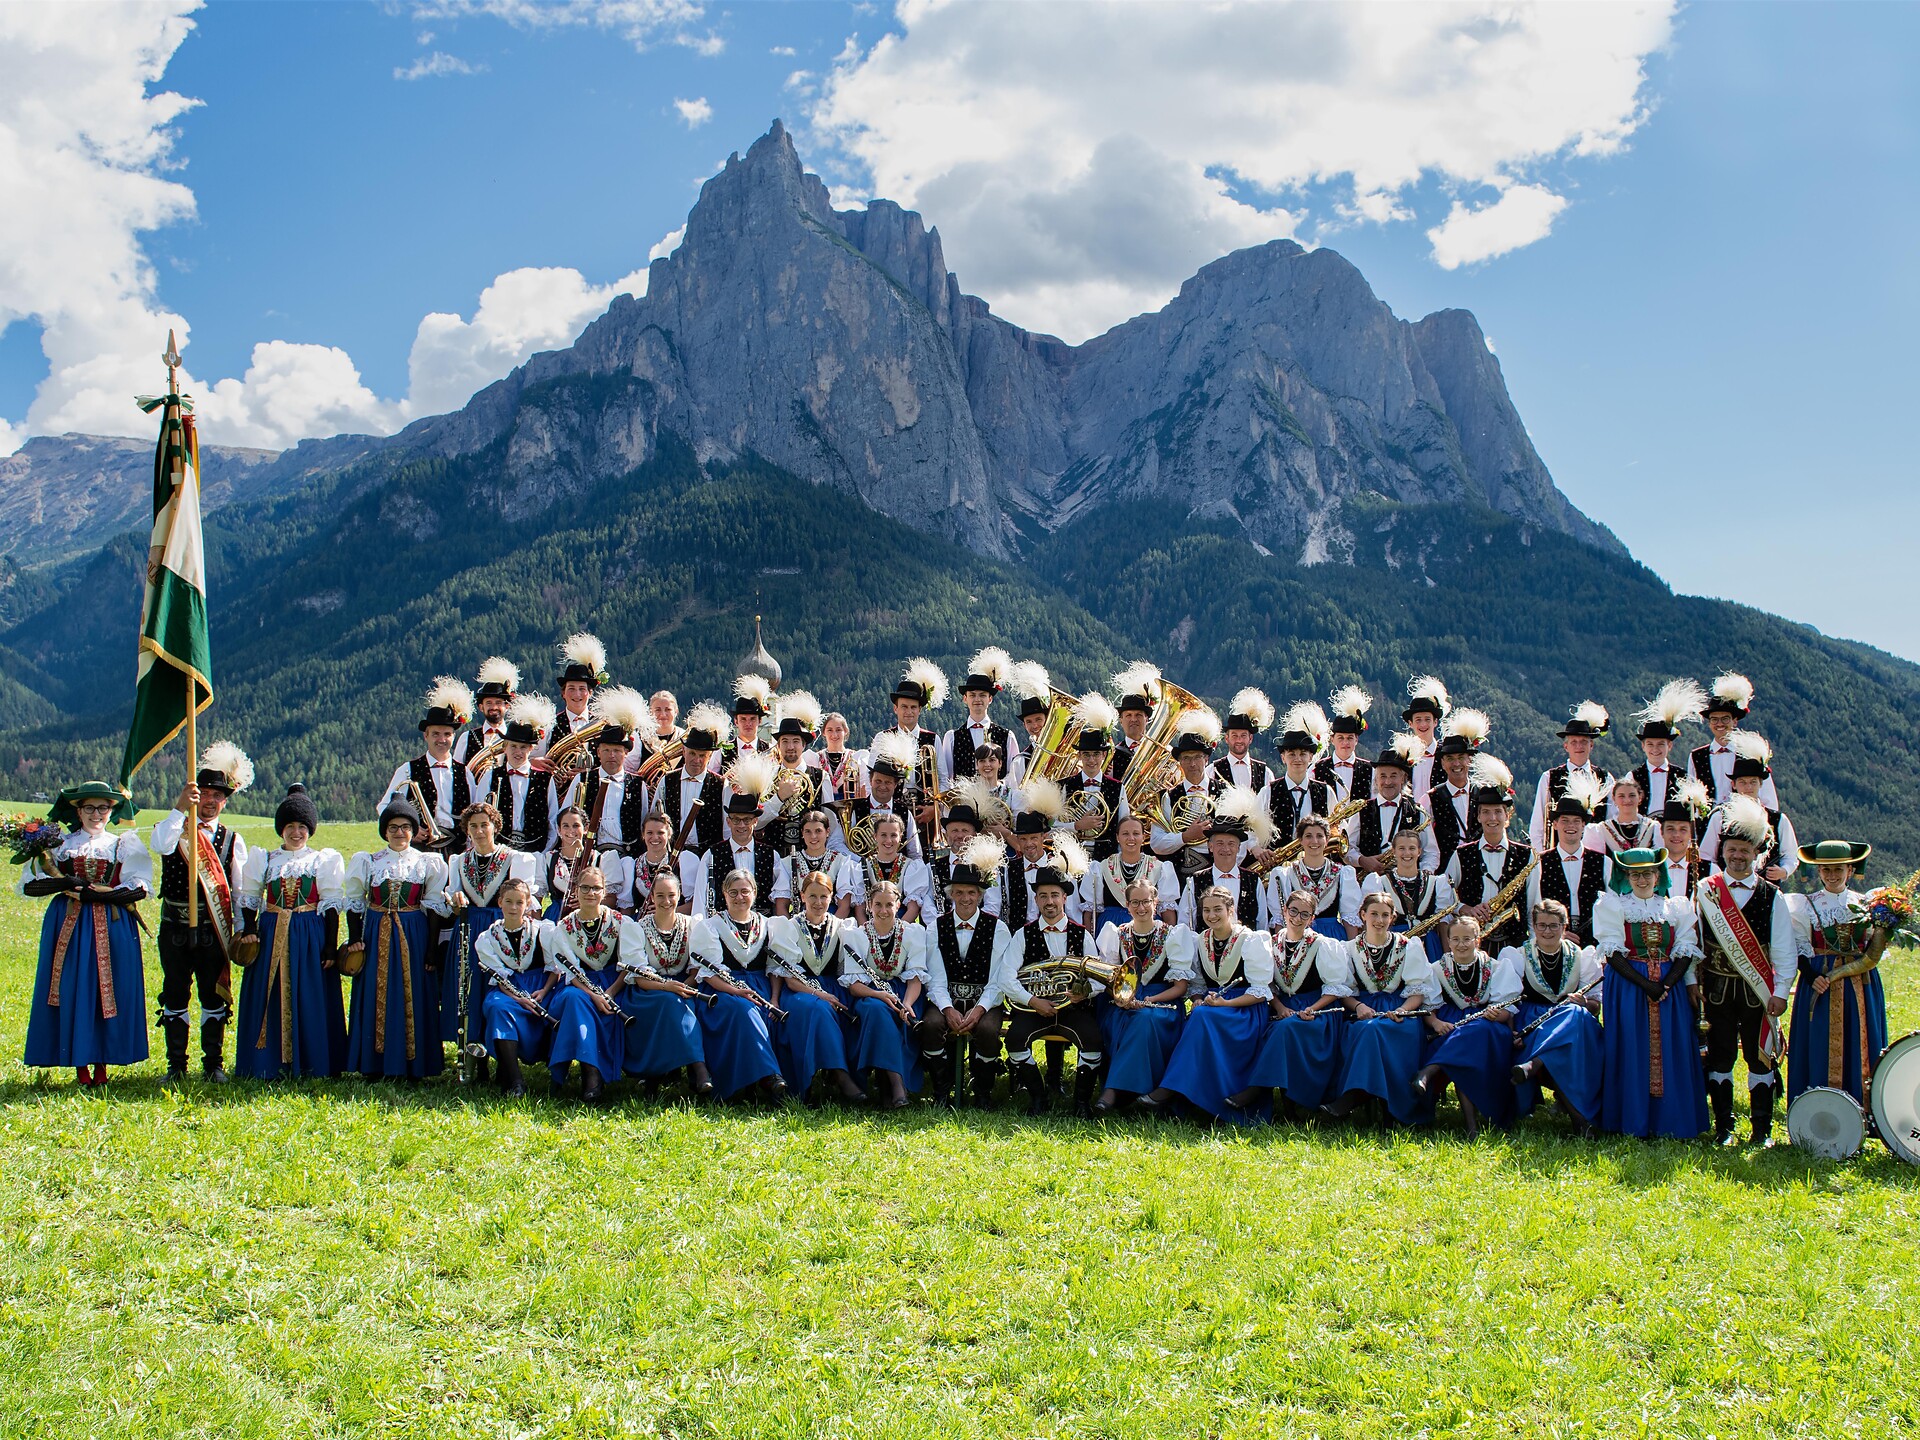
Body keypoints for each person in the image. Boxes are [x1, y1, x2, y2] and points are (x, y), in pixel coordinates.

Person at [18, 782, 151, 1085]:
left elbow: (138, 889)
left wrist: (98, 896)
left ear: (111, 810)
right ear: (78, 811)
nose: (96, 814)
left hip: (114, 925)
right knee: (74, 987)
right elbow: (31, 886)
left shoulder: (123, 844)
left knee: (110, 990)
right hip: (69, 924)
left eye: (102, 807)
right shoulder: (60, 845)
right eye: (89, 808)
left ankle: (103, 1066)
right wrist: (67, 884)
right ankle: (80, 1067)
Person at [1694, 793, 1797, 1145]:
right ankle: (1723, 1127)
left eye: (1745, 850)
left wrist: (1781, 992)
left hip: (1758, 991)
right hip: (1717, 989)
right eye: (1732, 849)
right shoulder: (1705, 892)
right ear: (1723, 851)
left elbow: (1784, 950)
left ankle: (1761, 1132)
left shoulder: (1773, 897)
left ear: (1758, 853)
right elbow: (1694, 945)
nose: (1738, 856)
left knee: (1759, 1057)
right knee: (1721, 1054)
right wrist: (1693, 983)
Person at [150, 741, 252, 1082]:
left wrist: (238, 928)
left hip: (213, 928)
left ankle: (213, 1065)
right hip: (175, 926)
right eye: (204, 792)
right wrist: (180, 808)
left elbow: (238, 891)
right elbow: (160, 845)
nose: (210, 801)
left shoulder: (232, 839)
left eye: (217, 795)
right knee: (176, 992)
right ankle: (176, 1066)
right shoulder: (174, 829)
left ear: (225, 800)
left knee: (213, 995)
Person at [234, 783, 347, 1081]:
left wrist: (330, 947)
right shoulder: (266, 859)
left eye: (302, 826)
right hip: (271, 933)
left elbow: (331, 906)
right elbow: (250, 897)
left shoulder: (322, 860)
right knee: (269, 995)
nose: (296, 832)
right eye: (290, 826)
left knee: (310, 994)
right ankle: (267, 1062)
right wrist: (249, 930)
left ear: (310, 830)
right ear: (280, 829)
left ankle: (313, 1062)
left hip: (310, 934)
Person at [1595, 848, 1708, 1140]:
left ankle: (1672, 1121)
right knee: (1632, 1046)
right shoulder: (1614, 906)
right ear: (1626, 877)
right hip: (1629, 987)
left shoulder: (1675, 908)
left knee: (1672, 1048)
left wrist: (1666, 984)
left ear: (1658, 876)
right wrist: (1647, 985)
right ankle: (1633, 1120)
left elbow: (1684, 950)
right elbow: (1613, 953)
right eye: (1635, 874)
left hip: (1670, 992)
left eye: (1647, 873)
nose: (1642, 879)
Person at [1139, 887, 1274, 1119]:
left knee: (1200, 1019)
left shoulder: (1251, 939)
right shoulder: (1199, 940)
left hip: (1244, 1011)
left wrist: (1224, 1004)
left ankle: (1173, 1089)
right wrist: (1199, 999)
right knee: (1199, 1016)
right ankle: (1190, 1096)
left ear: (1231, 910)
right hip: (1213, 1008)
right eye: (1207, 910)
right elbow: (1198, 987)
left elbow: (1261, 992)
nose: (1212, 915)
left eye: (1218, 909)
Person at [343, 799, 451, 1081]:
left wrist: (431, 950)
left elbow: (434, 908)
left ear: (414, 831)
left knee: (413, 993)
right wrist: (356, 940)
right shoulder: (369, 861)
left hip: (413, 931)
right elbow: (355, 904)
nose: (399, 833)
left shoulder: (426, 862)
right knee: (375, 992)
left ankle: (414, 1065)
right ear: (384, 831)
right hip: (377, 930)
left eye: (405, 827)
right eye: (393, 827)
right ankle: (374, 1064)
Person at [993, 847, 1104, 1116]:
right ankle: (1038, 1098)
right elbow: (1005, 977)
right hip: (1034, 1008)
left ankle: (1081, 1103)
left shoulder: (1082, 934)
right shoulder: (1023, 934)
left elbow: (1099, 977)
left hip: (1073, 1008)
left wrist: (1083, 993)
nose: (1049, 901)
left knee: (1093, 1041)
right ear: (1037, 899)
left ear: (1065, 898)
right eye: (1043, 896)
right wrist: (1033, 1001)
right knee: (1016, 1041)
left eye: (1055, 895)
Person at [1785, 840, 1887, 1111]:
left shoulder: (1866, 904)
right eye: (1826, 869)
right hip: (1820, 981)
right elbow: (1799, 947)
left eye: (1838, 869)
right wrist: (1809, 976)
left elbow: (1872, 947)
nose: (1832, 875)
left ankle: (1862, 1110)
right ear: (1818, 872)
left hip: (1860, 983)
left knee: (1859, 1041)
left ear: (1850, 870)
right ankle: (1817, 1111)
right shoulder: (1805, 905)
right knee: (1818, 1042)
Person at [918, 837, 1020, 1107]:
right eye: (960, 892)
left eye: (971, 893)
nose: (965, 898)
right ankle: (942, 1088)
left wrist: (980, 1009)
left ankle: (982, 1090)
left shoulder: (998, 929)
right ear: (951, 894)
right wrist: (947, 1008)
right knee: (930, 1025)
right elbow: (935, 978)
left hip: (985, 1002)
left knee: (987, 1030)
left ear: (981, 895)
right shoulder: (934, 928)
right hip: (946, 999)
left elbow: (998, 980)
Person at [1319, 892, 1436, 1124]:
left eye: (1385, 915)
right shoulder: (1349, 949)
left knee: (1377, 1031)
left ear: (1393, 918)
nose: (1379, 920)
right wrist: (1360, 1006)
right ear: (1363, 915)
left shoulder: (1408, 946)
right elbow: (1345, 992)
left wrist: (1403, 1010)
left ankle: (1358, 1096)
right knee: (1367, 1029)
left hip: (1400, 1011)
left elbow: (1417, 991)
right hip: (1363, 1010)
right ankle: (1371, 1098)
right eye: (1374, 914)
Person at [1228, 890, 1345, 1118]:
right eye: (1293, 911)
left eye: (1304, 914)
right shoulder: (1270, 943)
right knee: (1274, 1028)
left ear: (1312, 918)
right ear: (1284, 911)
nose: (1297, 918)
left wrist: (1312, 1008)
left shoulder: (1322, 945)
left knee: (1286, 1029)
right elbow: (1266, 985)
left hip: (1318, 1012)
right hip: (1283, 1008)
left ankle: (1258, 1088)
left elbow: (1334, 988)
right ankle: (1282, 1100)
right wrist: (1280, 1007)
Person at [442, 801, 539, 1062]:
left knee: (497, 988)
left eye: (485, 824)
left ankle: (502, 1051)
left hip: (501, 929)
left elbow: (524, 899)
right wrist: (456, 900)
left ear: (495, 826)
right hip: (469, 928)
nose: (480, 831)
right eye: (473, 826)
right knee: (470, 989)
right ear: (467, 831)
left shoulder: (514, 858)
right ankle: (474, 1055)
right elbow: (452, 896)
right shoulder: (459, 861)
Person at [1497, 900, 1604, 1134]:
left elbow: (1595, 1007)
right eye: (1542, 925)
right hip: (1532, 1020)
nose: (1547, 931)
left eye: (1554, 926)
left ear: (1565, 927)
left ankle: (1533, 1065)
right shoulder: (1517, 955)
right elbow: (1510, 1001)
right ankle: (1579, 1119)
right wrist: (1512, 1031)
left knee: (1574, 1012)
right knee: (1561, 1049)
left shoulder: (1583, 956)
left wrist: (1584, 1002)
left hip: (1576, 1024)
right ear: (1533, 927)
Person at [1091, 879, 1194, 1115]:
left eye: (1146, 901)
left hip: (1164, 1002)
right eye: (1135, 902)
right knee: (1126, 1019)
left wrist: (1150, 1002)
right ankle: (1136, 1093)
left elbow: (1180, 987)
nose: (1141, 907)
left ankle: (1114, 1091)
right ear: (1127, 906)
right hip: (1124, 1001)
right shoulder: (1116, 933)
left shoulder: (1172, 935)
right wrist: (1119, 997)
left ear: (1155, 902)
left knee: (1145, 1019)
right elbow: (1111, 979)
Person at [688, 870, 789, 1102]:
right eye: (733, 892)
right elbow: (709, 974)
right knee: (743, 1010)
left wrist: (774, 999)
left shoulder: (768, 925)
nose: (739, 897)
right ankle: (768, 1075)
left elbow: (774, 969)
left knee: (769, 1013)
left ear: (754, 893)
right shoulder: (711, 926)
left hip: (760, 986)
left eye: (745, 891)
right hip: (722, 990)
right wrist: (736, 991)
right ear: (724, 894)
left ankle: (760, 1080)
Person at [768, 871, 867, 1104]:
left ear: (832, 897)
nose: (818, 902)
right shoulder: (790, 927)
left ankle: (845, 1074)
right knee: (818, 1009)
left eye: (823, 896)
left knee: (854, 1011)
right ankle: (839, 1077)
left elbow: (846, 971)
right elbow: (790, 979)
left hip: (834, 987)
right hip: (800, 990)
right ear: (802, 896)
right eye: (812, 896)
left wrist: (830, 993)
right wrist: (820, 994)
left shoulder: (842, 927)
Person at [616, 871, 714, 1098]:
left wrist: (685, 986)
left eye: (671, 895)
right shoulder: (637, 928)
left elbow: (697, 967)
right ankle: (698, 1068)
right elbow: (639, 976)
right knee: (669, 1003)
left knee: (676, 1003)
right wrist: (667, 987)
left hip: (684, 986)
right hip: (646, 992)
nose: (667, 901)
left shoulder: (692, 925)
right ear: (651, 897)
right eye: (660, 895)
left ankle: (658, 1077)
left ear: (680, 895)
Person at [842, 879, 931, 1108]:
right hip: (869, 994)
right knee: (876, 1011)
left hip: (905, 993)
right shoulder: (857, 935)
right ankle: (897, 1083)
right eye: (878, 905)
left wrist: (908, 1004)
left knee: (889, 1015)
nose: (883, 911)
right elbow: (854, 985)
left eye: (889, 905)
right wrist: (881, 995)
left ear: (898, 904)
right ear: (869, 906)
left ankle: (886, 1083)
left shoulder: (912, 933)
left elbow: (914, 979)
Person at [546, 865, 630, 1103]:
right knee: (575, 1001)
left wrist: (610, 992)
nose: (590, 893)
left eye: (596, 888)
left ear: (604, 892)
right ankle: (590, 1073)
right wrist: (594, 995)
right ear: (576, 890)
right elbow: (569, 972)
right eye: (585, 887)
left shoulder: (620, 922)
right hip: (579, 985)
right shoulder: (563, 927)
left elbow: (628, 964)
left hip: (615, 984)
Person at [1411, 915, 1497, 1138]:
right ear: (1448, 942)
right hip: (1448, 1024)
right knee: (1463, 1050)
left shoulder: (1494, 966)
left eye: (1467, 939)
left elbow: (1506, 1009)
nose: (1461, 944)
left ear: (1478, 940)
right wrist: (1436, 1023)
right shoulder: (1437, 968)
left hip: (1486, 1025)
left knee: (1471, 1035)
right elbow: (1428, 1009)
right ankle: (1470, 1125)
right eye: (1456, 939)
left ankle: (1431, 1070)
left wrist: (1497, 1014)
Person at [472, 878, 558, 1097]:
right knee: (496, 1007)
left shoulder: (543, 931)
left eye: (519, 902)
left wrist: (545, 991)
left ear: (528, 903)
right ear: (500, 902)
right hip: (509, 990)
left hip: (541, 987)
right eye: (508, 901)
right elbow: (498, 977)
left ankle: (559, 1074)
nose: (513, 907)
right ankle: (514, 1080)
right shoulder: (487, 938)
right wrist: (518, 998)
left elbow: (554, 970)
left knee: (560, 1004)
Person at [1443, 755, 1534, 955]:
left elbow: (1533, 905)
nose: (1492, 818)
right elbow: (1444, 896)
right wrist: (1464, 908)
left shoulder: (1527, 856)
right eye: (1486, 812)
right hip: (1472, 945)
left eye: (1498, 812)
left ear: (1508, 816)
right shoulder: (1461, 854)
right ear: (1478, 816)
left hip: (1515, 944)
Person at [377, 677, 475, 849]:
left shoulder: (465, 773)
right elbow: (385, 806)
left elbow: (475, 810)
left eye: (447, 734)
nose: (442, 739)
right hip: (421, 849)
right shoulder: (407, 770)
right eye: (436, 734)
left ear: (454, 736)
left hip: (457, 850)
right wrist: (410, 828)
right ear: (426, 736)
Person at [563, 686, 656, 858]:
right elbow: (567, 816)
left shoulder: (637, 784)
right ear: (598, 752)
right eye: (606, 750)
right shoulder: (582, 779)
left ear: (626, 753)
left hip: (627, 857)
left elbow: (644, 822)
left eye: (617, 751)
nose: (611, 755)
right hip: (589, 854)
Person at [687, 757, 783, 917]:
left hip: (761, 930)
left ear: (755, 821)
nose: (741, 825)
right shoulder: (711, 855)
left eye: (746, 820)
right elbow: (700, 901)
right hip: (723, 929)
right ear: (728, 821)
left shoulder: (772, 855)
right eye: (736, 820)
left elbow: (780, 899)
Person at [1697, 734, 1798, 884]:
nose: (1748, 787)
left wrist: (1784, 871)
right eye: (1743, 782)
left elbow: (1790, 855)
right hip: (1726, 889)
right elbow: (1706, 856)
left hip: (1765, 892)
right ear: (1734, 785)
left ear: (1761, 784)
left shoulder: (1778, 820)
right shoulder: (1719, 817)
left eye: (1753, 782)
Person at [1526, 772, 1610, 946]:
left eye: (1576, 821)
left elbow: (1612, 906)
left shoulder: (1603, 863)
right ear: (1555, 824)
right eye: (1564, 820)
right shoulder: (1538, 863)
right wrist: (1557, 935)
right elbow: (1532, 907)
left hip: (1596, 944)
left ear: (1583, 825)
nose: (1570, 826)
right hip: (1552, 943)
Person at [1149, 708, 1225, 893]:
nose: (1192, 764)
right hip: (1179, 873)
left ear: (1206, 759)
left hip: (1219, 872)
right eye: (1186, 758)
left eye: (1197, 757)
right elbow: (1156, 843)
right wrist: (1185, 837)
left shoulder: (1224, 792)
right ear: (1179, 762)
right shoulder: (1168, 796)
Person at [1176, 790, 1271, 931]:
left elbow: (1262, 922)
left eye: (1231, 844)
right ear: (1210, 847)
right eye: (1220, 843)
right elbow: (1184, 925)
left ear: (1239, 848)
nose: (1225, 849)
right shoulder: (1194, 881)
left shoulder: (1253, 880)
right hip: (1206, 949)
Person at [1361, 824, 1457, 963]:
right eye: (1401, 848)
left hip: (1429, 946)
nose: (1407, 853)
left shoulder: (1437, 882)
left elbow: (1443, 924)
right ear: (1393, 851)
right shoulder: (1379, 882)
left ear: (1419, 851)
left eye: (1412, 848)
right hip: (1393, 945)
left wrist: (1448, 957)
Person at [1345, 735, 1437, 877]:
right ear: (1376, 780)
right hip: (1369, 881)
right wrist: (1362, 860)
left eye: (1393, 776)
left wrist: (1423, 876)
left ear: (1403, 778)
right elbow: (1348, 848)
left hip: (1408, 881)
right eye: (1383, 776)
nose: (1388, 782)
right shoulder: (1361, 810)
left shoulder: (1417, 812)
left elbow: (1431, 852)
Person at [478, 694, 559, 853]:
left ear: (531, 749)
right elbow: (478, 815)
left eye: (523, 747)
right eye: (513, 746)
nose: (518, 752)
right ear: (505, 746)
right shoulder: (490, 776)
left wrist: (542, 854)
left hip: (535, 852)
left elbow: (552, 821)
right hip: (497, 851)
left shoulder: (545, 780)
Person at [1527, 702, 1612, 852]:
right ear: (1566, 746)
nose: (1579, 746)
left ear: (1591, 745)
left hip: (1595, 858)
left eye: (1584, 742)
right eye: (1574, 742)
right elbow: (1538, 824)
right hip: (1557, 856)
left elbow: (1612, 822)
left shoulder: (1605, 778)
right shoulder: (1549, 778)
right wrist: (1540, 859)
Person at [1690, 672, 1779, 807]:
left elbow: (1768, 799)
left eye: (1725, 718)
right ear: (1709, 723)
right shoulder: (1696, 757)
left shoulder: (1750, 754)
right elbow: (1692, 797)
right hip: (1708, 825)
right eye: (1714, 719)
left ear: (1735, 721)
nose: (1719, 723)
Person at [654, 702, 729, 859]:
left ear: (709, 757)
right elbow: (655, 819)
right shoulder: (666, 781)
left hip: (708, 857)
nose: (696, 760)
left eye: (702, 756)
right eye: (692, 754)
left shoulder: (721, 785)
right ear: (683, 751)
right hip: (672, 855)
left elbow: (727, 828)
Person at [1624, 678, 1705, 821]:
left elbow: (1694, 813)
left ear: (1670, 746)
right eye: (1650, 744)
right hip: (1642, 832)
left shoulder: (1683, 777)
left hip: (1673, 832)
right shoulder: (1632, 777)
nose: (1655, 749)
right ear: (1643, 746)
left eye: (1661, 744)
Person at [1080, 814, 1179, 931]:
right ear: (1117, 837)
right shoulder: (1101, 868)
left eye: (1136, 833)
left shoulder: (1160, 868)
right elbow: (1091, 912)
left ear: (1143, 837)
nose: (1131, 838)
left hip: (1146, 926)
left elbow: (1167, 911)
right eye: (1125, 834)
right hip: (1110, 927)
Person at [1059, 694, 1128, 860]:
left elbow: (1124, 825)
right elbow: (1051, 827)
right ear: (1079, 756)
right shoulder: (1065, 786)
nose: (1091, 760)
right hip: (1072, 856)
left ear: (1104, 755)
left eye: (1096, 754)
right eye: (1087, 754)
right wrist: (1077, 825)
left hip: (1107, 857)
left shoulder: (1118, 787)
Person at [1270, 815, 1360, 941]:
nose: (1314, 841)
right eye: (1308, 836)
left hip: (1333, 939)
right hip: (1298, 938)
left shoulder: (1343, 873)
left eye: (1319, 836)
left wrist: (1353, 952)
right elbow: (1280, 919)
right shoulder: (1286, 874)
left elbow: (1349, 918)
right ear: (1300, 840)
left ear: (1327, 839)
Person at [939, 646, 1018, 786]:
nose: (977, 699)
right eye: (972, 695)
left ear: (990, 699)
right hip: (965, 803)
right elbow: (946, 777)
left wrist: (999, 788)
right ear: (965, 699)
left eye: (982, 695)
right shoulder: (952, 737)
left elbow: (1014, 774)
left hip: (997, 802)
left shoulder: (1007, 736)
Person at [763, 691, 826, 855]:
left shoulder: (821, 777)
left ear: (803, 745)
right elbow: (758, 821)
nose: (790, 746)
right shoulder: (767, 776)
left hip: (811, 855)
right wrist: (779, 798)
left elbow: (830, 823)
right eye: (785, 741)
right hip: (774, 856)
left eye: (795, 741)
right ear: (778, 745)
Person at [1264, 703, 1332, 854]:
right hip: (1279, 866)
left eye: (1303, 754)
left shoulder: (1326, 791)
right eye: (1292, 754)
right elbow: (1253, 831)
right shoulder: (1268, 791)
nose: (1297, 759)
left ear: (1311, 757)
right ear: (1283, 758)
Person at [1425, 708, 1488, 863]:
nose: (1456, 763)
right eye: (1450, 758)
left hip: (1481, 866)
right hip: (1445, 868)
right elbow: (1425, 842)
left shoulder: (1483, 793)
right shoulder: (1429, 798)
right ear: (1443, 763)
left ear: (1470, 760)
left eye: (1461, 757)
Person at [852, 812, 935, 924]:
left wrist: (897, 932)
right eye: (883, 835)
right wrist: (868, 933)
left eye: (893, 835)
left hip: (902, 925)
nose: (888, 841)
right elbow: (860, 909)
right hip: (870, 927)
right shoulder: (862, 867)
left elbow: (913, 909)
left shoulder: (911, 867)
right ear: (875, 836)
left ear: (900, 837)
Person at [778, 809, 857, 917]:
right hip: (799, 923)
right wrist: (790, 930)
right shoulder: (787, 863)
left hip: (831, 921)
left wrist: (831, 930)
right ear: (802, 833)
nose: (813, 836)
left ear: (827, 832)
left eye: (818, 831)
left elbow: (844, 905)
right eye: (808, 831)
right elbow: (781, 905)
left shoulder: (841, 861)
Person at [543, 632, 608, 752]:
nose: (577, 694)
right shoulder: (550, 725)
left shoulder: (601, 724)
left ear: (590, 693)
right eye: (571, 688)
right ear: (563, 693)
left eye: (582, 689)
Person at [454, 656, 519, 766]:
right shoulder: (467, 738)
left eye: (498, 703)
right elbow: (457, 770)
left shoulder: (517, 739)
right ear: (481, 707)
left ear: (507, 706)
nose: (494, 707)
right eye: (489, 703)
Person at [1315, 684, 1375, 803]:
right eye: (1340, 738)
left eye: (1350, 738)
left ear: (1356, 740)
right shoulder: (1317, 768)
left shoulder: (1370, 770)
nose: (1345, 742)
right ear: (1332, 740)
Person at [1211, 688, 1274, 800]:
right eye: (1234, 735)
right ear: (1226, 738)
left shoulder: (1265, 773)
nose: (1239, 740)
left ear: (1250, 738)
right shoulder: (1212, 770)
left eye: (1243, 736)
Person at [1107, 661, 1163, 786]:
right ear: (1121, 720)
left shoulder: (1158, 753)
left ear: (1146, 719)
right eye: (1128, 715)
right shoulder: (1112, 755)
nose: (1133, 719)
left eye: (1138, 715)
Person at [1658, 777, 1714, 899]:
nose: (1676, 835)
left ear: (1691, 834)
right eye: (1670, 829)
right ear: (1661, 832)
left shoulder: (1710, 871)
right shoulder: (1651, 868)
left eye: (1683, 829)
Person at [1402, 675, 1451, 800]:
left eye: (1427, 719)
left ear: (1435, 722)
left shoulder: (1446, 753)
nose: (1423, 724)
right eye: (1418, 720)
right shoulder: (1404, 756)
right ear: (1410, 723)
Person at [1588, 772, 1659, 856]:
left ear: (1640, 797)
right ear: (1614, 798)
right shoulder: (1601, 830)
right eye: (1621, 796)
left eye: (1632, 795)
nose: (1627, 800)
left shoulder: (1654, 827)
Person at [725, 674, 775, 761]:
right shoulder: (721, 752)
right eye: (743, 719)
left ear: (760, 721)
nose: (748, 723)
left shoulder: (770, 751)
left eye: (752, 719)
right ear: (736, 721)